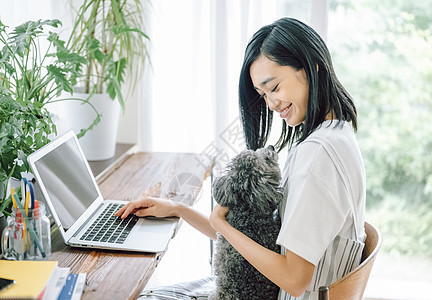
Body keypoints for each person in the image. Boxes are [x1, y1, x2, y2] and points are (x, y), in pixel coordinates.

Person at [115, 17, 366, 300]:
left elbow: (295, 279)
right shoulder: (336, 135)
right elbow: (257, 240)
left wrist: (221, 224)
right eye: (262, 95)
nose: (271, 104)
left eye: (274, 88)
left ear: (312, 68)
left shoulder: (317, 155)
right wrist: (178, 209)